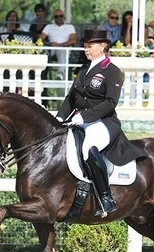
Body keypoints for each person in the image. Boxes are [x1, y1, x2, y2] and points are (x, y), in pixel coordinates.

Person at [55, 29, 146, 217]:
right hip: (79, 121)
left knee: (89, 146)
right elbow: (71, 98)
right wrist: (59, 118)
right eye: (85, 46)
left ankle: (106, 199)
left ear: (103, 46)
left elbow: (110, 102)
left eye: (90, 46)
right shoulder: (83, 69)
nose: (86, 49)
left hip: (103, 123)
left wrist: (85, 117)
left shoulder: (112, 71)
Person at [40, 9, 77, 80]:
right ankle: (42, 75)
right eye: (56, 16)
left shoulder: (70, 27)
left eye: (61, 16)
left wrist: (60, 45)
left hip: (63, 48)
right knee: (44, 52)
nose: (59, 18)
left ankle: (60, 74)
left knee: (62, 50)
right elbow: (41, 39)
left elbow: (73, 40)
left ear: (64, 17)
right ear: (54, 18)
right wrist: (48, 43)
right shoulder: (49, 27)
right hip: (51, 48)